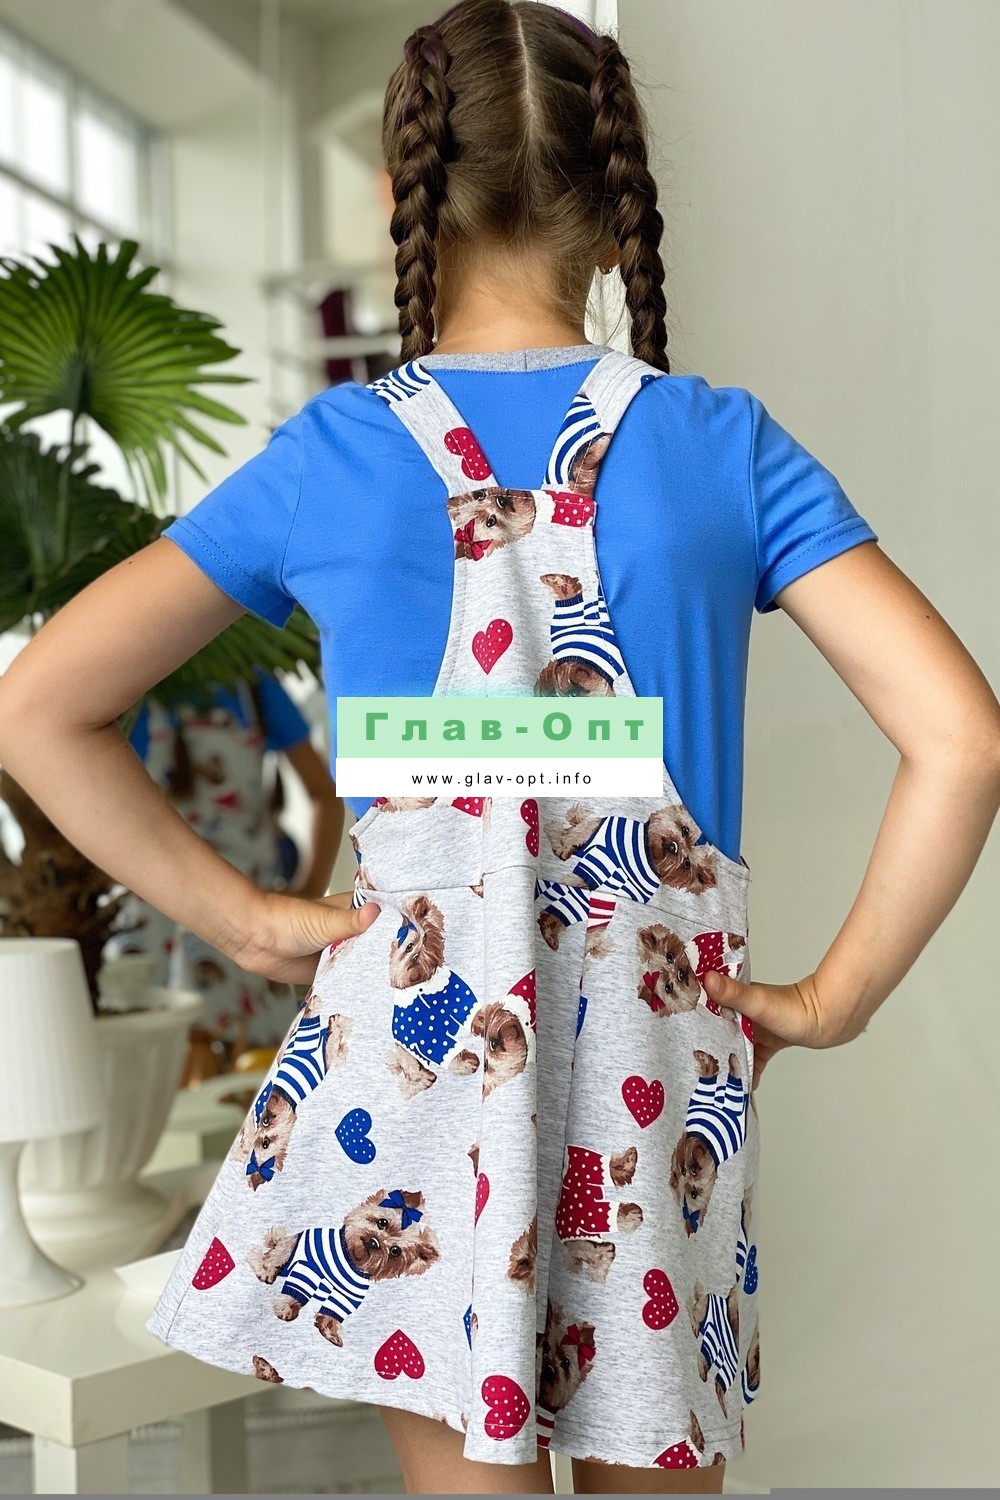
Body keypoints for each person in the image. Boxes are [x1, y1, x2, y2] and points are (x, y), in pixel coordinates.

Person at [0, 3, 996, 1495]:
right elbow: (961, 741)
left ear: (403, 189)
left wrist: (249, 918)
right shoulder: (720, 445)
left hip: (406, 1083)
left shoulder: (333, 458)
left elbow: (37, 706)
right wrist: (825, 1004)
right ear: (613, 197)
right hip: (655, 1086)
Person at [105, 669, 343, 1049]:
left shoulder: (254, 685)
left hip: (245, 913)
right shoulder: (130, 684)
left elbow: (325, 795)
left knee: (250, 1060)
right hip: (155, 918)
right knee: (155, 1053)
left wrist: (309, 890)